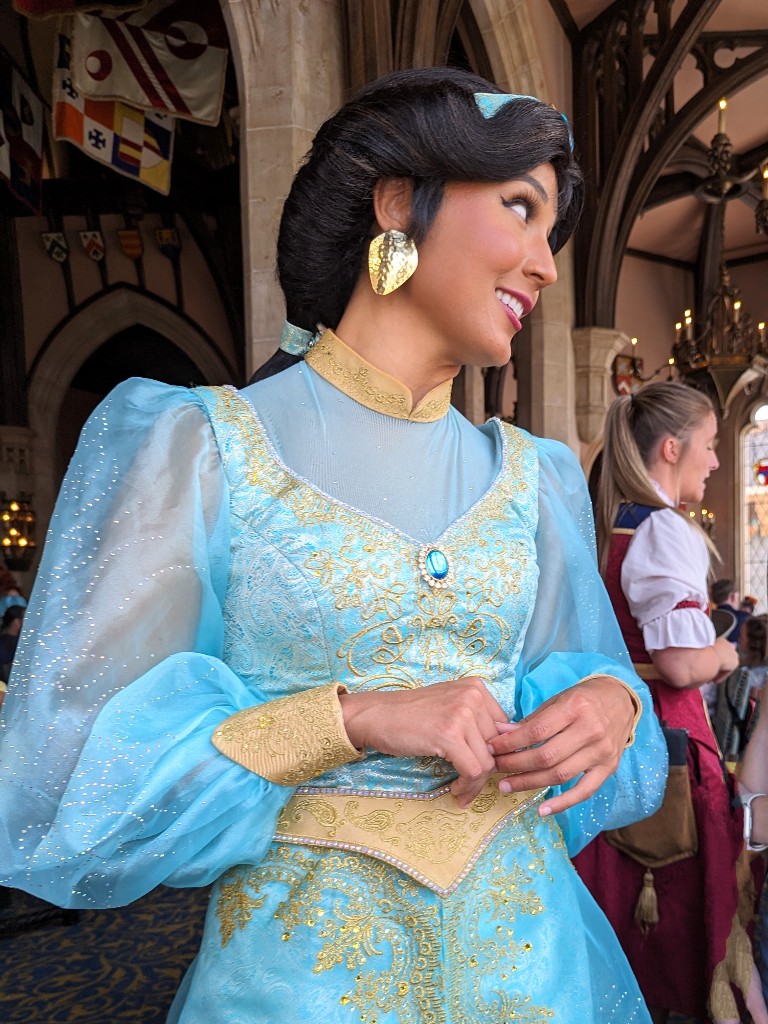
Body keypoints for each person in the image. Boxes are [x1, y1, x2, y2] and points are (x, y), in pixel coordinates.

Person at [0, 68, 666, 1024]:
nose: (545, 264)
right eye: (520, 208)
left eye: (551, 230)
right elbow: (77, 772)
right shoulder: (201, 447)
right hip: (300, 986)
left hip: (540, 972)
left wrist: (609, 702)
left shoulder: (539, 477)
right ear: (398, 202)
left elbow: (593, 681)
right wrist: (351, 718)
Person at [572, 383, 766, 1024]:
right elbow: (682, 662)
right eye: (710, 447)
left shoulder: (615, 526)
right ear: (672, 448)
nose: (714, 462)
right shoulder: (665, 530)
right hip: (666, 750)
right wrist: (724, 655)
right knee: (686, 932)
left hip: (621, 743)